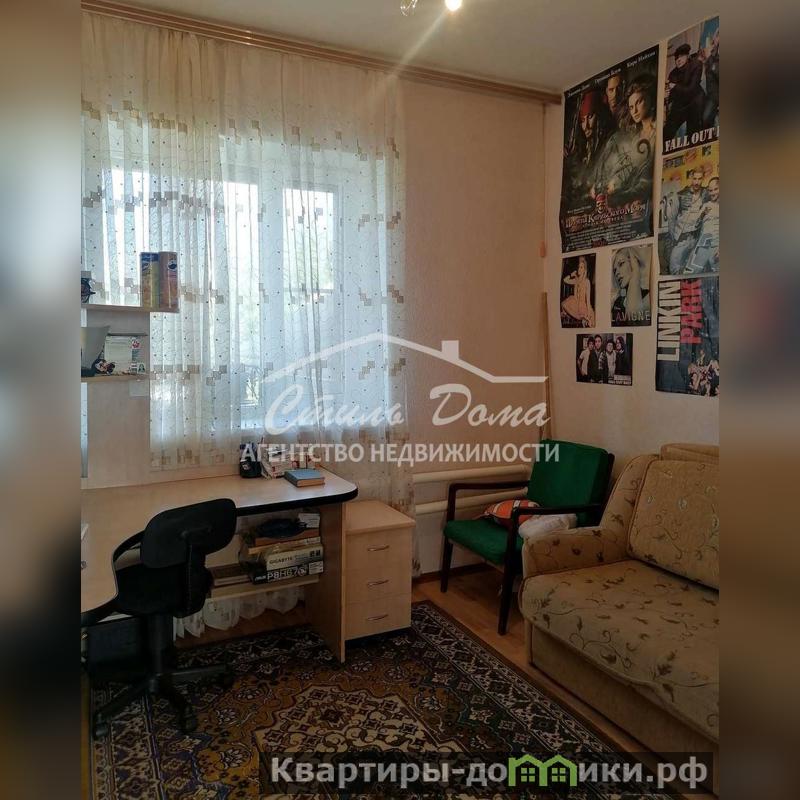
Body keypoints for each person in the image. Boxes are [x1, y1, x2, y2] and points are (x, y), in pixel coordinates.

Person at [590, 75, 657, 207]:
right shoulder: (633, 138)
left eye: (638, 102)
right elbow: (627, 171)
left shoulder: (658, 132)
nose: (635, 111)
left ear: (650, 99)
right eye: (631, 107)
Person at [665, 166, 708, 274]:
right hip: (682, 238)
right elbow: (671, 218)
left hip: (698, 237)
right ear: (690, 178)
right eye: (695, 179)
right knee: (674, 267)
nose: (697, 182)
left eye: (699, 179)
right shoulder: (680, 195)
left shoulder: (706, 193)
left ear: (703, 179)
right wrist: (674, 238)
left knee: (694, 269)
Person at [664, 42, 706, 143]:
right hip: (680, 105)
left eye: (681, 56)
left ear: (687, 56)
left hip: (695, 102)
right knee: (666, 132)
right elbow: (672, 96)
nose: (678, 60)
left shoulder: (696, 65)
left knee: (693, 136)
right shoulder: (673, 73)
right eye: (676, 58)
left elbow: (691, 89)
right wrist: (667, 95)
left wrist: (675, 86)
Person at [611, 246, 651, 324]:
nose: (617, 273)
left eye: (621, 264)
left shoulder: (647, 296)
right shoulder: (617, 303)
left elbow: (633, 317)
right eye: (615, 270)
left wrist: (636, 272)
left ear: (633, 262)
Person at [687, 176, 719, 273]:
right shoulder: (706, 205)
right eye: (710, 190)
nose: (712, 193)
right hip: (703, 244)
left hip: (717, 245)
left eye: (716, 189)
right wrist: (702, 215)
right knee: (690, 272)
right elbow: (696, 225)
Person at [561, 256, 595, 327]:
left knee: (590, 322)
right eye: (579, 267)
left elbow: (588, 300)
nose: (579, 269)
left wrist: (589, 315)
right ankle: (581, 319)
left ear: (585, 270)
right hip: (576, 304)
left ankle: (585, 319)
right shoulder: (576, 280)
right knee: (565, 304)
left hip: (583, 306)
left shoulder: (587, 282)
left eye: (581, 267)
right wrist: (571, 275)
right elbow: (565, 280)